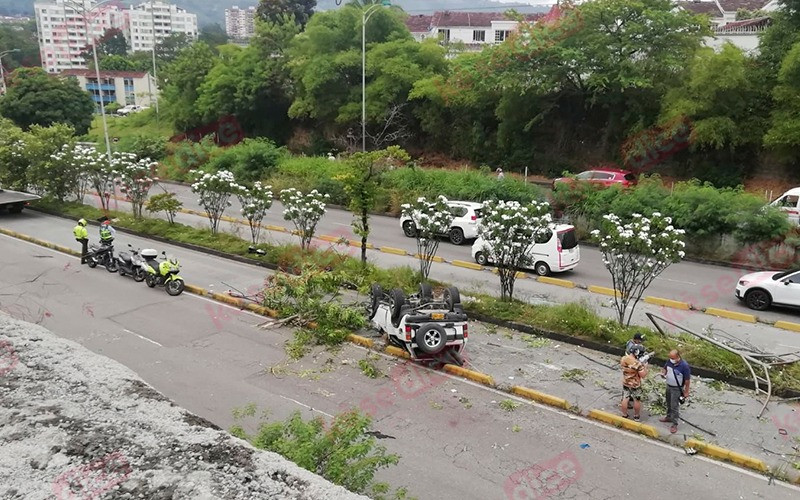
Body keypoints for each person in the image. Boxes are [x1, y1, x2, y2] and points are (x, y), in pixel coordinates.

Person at [660, 349, 691, 434]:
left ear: (678, 357)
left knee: (674, 406)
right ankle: (669, 416)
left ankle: (674, 423)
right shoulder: (669, 361)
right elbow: (665, 368)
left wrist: (686, 391)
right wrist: (664, 373)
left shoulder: (684, 366)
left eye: (673, 358)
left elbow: (687, 380)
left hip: (677, 388)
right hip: (669, 386)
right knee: (668, 402)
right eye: (670, 357)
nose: (671, 359)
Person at [620, 344, 648, 420]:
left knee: (625, 398)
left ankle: (624, 414)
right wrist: (645, 367)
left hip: (626, 382)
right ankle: (636, 416)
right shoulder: (637, 364)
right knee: (637, 400)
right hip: (635, 384)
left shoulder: (624, 359)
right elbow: (643, 375)